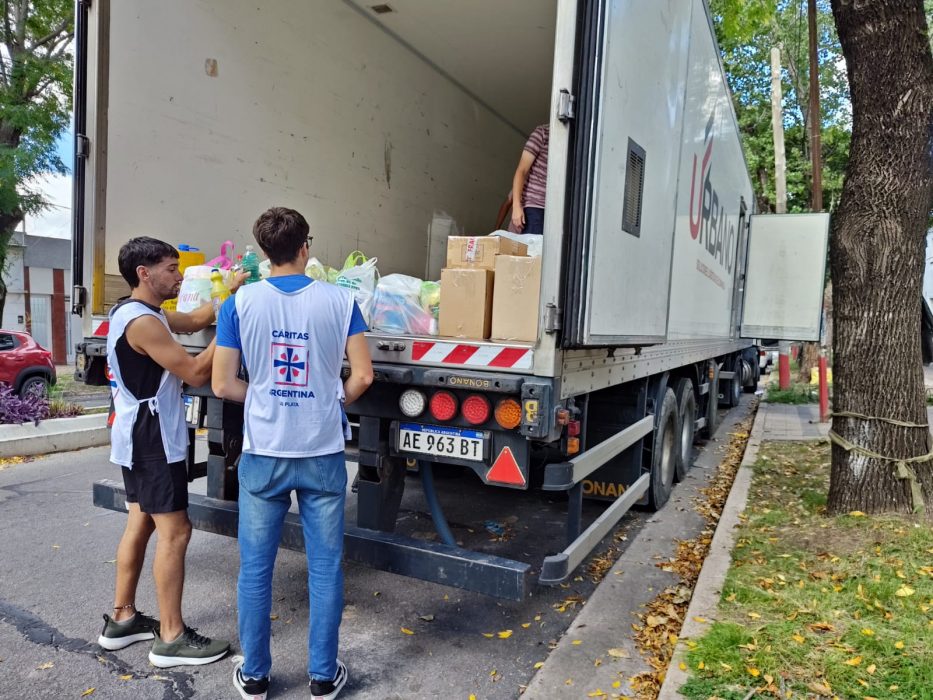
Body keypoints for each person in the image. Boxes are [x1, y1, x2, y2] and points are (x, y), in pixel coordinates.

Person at [213, 207, 373, 700]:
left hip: (264, 452)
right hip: (323, 451)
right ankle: (323, 677)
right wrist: (333, 398)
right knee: (325, 569)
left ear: (263, 252)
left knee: (255, 570)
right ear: (306, 247)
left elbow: (222, 382)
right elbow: (363, 375)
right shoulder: (342, 300)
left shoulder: (239, 303)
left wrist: (262, 395)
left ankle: (256, 676)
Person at [99, 237, 244, 667]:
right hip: (152, 437)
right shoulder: (143, 323)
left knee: (140, 521)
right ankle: (172, 637)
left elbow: (193, 318)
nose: (179, 276)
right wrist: (230, 327)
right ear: (143, 273)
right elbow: (198, 372)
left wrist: (227, 296)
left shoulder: (140, 311)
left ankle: (122, 619)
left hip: (134, 432)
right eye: (170, 268)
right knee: (176, 531)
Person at [509, 123, 550, 234]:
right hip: (535, 208)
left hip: (558, 212)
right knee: (534, 251)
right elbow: (521, 170)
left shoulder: (575, 140)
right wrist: (517, 207)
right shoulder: (542, 132)